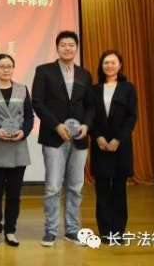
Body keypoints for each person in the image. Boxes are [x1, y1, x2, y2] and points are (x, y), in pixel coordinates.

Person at [32, 31, 94, 247]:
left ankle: (71, 230)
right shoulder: (44, 71)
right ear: (57, 47)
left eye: (71, 45)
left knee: (75, 186)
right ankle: (50, 231)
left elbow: (90, 106)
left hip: (79, 139)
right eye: (63, 45)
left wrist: (86, 125)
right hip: (53, 136)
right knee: (53, 186)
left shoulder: (85, 74)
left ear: (76, 48)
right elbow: (37, 102)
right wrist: (56, 125)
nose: (67, 48)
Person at [0, 54, 34, 247]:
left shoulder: (22, 89)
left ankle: (10, 230)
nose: (6, 69)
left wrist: (24, 132)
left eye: (9, 66)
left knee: (14, 194)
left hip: (18, 146)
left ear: (13, 68)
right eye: (2, 66)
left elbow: (29, 116)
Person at [90, 50, 138, 244]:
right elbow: (89, 116)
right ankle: (105, 232)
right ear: (101, 66)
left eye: (113, 62)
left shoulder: (128, 88)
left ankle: (118, 232)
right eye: (106, 62)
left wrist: (118, 139)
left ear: (120, 65)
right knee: (102, 191)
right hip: (100, 146)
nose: (109, 65)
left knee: (119, 191)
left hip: (121, 146)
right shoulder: (94, 90)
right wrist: (98, 137)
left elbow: (131, 117)